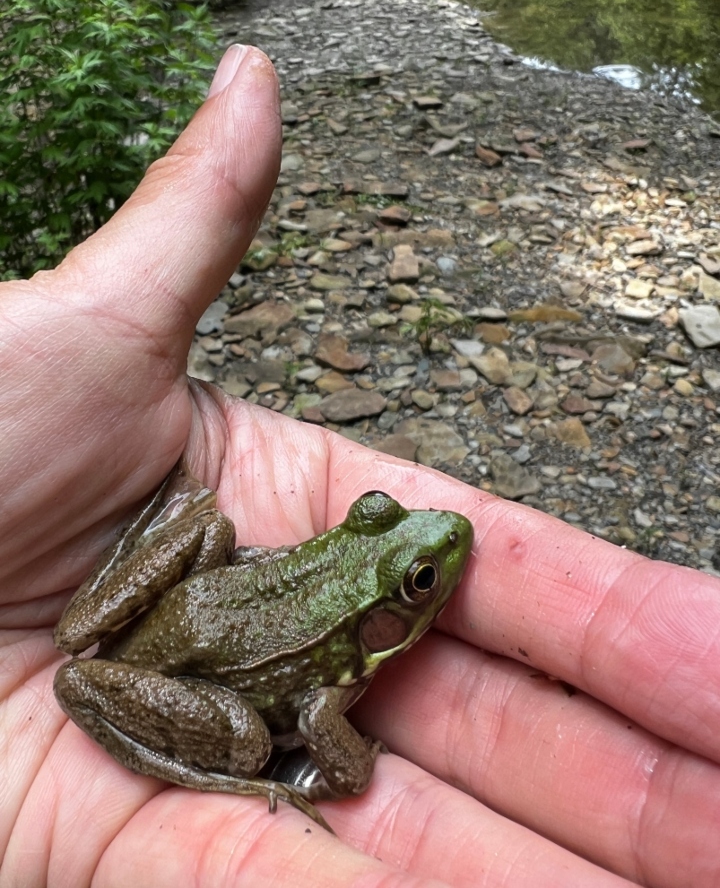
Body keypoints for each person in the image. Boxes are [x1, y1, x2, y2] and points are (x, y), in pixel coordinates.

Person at [1, 44, 718, 888]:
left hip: (159, 620)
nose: (443, 545)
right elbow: (340, 763)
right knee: (250, 739)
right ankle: (210, 762)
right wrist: (359, 757)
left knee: (210, 525)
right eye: (418, 581)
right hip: (183, 662)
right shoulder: (334, 676)